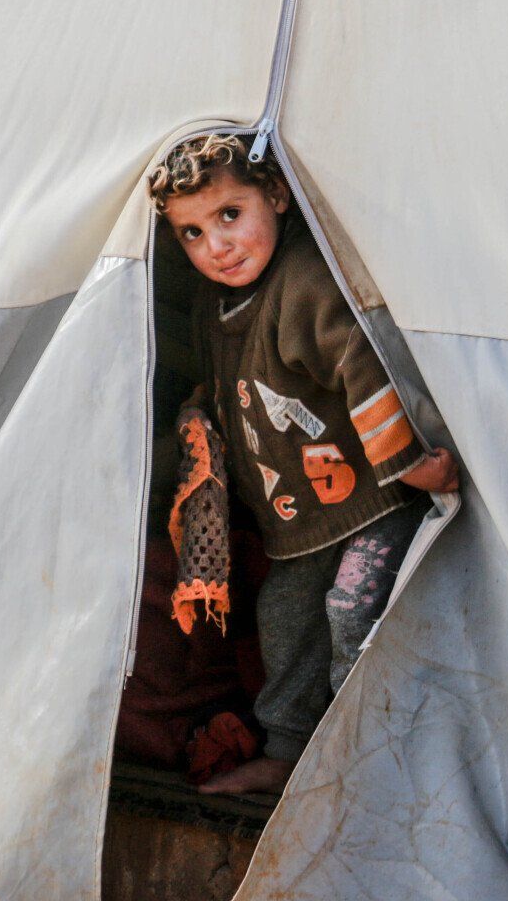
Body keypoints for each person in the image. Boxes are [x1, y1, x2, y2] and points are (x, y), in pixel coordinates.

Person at [149, 133, 458, 795]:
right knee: (283, 620)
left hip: (370, 499)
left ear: (278, 196)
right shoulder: (212, 305)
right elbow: (225, 381)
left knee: (353, 610)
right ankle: (289, 749)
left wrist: (407, 465)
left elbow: (365, 369)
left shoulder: (306, 284)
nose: (217, 246)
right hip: (295, 517)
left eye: (231, 215)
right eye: (193, 233)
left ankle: (360, 759)